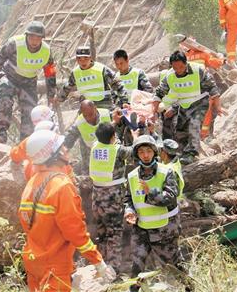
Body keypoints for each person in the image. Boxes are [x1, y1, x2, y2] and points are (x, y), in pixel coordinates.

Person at [18, 129, 106, 292]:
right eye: (62, 147)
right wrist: (97, 260)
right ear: (52, 155)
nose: (67, 149)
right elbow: (74, 231)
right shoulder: (61, 185)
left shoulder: (32, 183)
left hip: (33, 261)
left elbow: (26, 223)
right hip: (54, 266)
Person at [123, 135, 184, 292]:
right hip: (141, 230)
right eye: (141, 151)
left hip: (164, 231)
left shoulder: (166, 172)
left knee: (175, 267)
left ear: (154, 152)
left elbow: (171, 198)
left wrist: (151, 193)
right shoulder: (131, 176)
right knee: (136, 268)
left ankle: (190, 288)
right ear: (137, 154)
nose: (145, 155)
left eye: (148, 151)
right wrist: (129, 211)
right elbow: (128, 198)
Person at [0, 20, 57, 143]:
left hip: (29, 82)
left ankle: (25, 142)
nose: (34, 41)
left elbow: (50, 72)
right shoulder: (15, 43)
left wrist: (51, 94)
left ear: (42, 39)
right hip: (9, 75)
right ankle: (2, 132)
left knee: (30, 111)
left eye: (38, 38)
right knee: (5, 98)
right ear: (26, 36)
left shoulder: (46, 51)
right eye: (32, 37)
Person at [152, 51, 221, 164]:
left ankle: (191, 153)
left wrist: (218, 107)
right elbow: (159, 92)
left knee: (194, 124)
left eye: (181, 66)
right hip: (183, 104)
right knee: (180, 130)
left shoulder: (198, 70)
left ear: (186, 63)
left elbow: (212, 87)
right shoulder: (170, 76)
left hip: (200, 101)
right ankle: (183, 153)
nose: (178, 70)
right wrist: (153, 110)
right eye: (175, 67)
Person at [89, 122, 135, 274]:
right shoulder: (118, 150)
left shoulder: (95, 146)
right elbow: (133, 151)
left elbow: (109, 141)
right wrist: (136, 136)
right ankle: (113, 269)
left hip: (97, 198)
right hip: (112, 198)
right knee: (114, 233)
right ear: (112, 137)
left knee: (101, 232)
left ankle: (100, 264)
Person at [59, 46, 128, 110]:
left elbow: (117, 84)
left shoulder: (101, 69)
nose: (83, 61)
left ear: (90, 58)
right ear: (76, 59)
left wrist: (124, 101)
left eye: (86, 58)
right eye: (80, 59)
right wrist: (59, 98)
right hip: (86, 107)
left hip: (104, 105)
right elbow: (68, 87)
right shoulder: (75, 73)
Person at [63, 99, 113, 174]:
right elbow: (68, 138)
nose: (88, 118)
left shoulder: (107, 114)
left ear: (95, 109)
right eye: (85, 115)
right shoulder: (79, 123)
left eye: (91, 114)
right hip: (90, 163)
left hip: (110, 158)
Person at [10, 108, 58, 181]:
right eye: (51, 118)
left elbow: (14, 154)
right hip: (53, 179)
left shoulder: (29, 141)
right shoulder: (56, 139)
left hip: (36, 179)